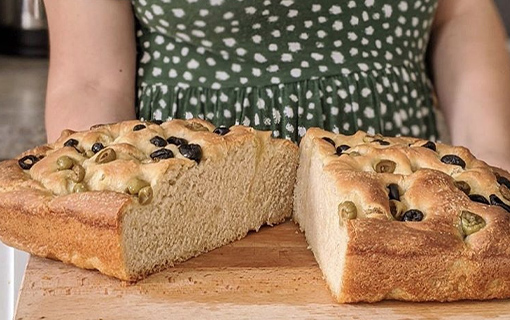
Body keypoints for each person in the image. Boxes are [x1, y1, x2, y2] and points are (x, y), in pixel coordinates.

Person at [43, 0, 510, 170]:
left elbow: (459, 12)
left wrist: (495, 157)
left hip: (402, 202)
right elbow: (90, 79)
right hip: (187, 199)